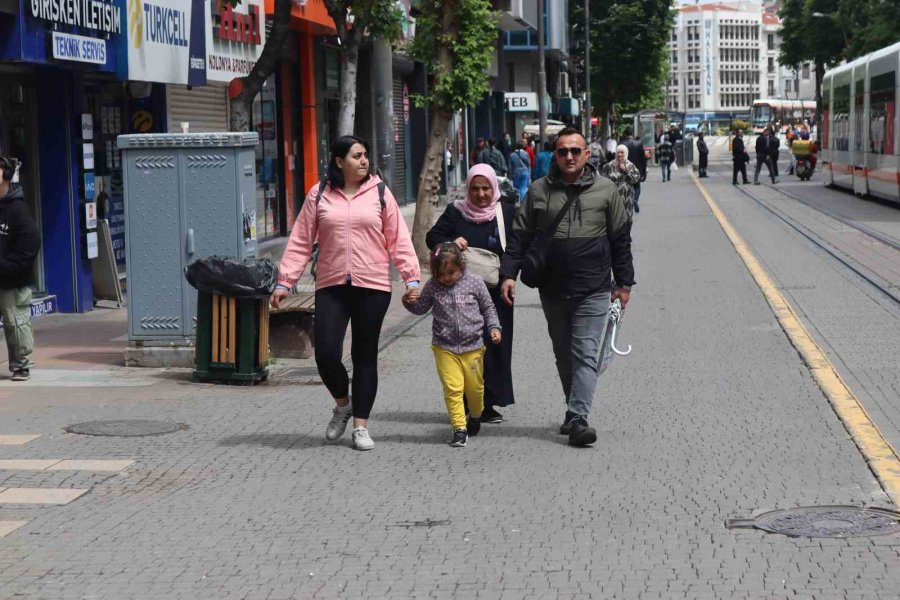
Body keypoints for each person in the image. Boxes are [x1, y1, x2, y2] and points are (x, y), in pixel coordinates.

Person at [271, 135, 420, 451]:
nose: (364, 161)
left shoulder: (380, 192)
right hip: (332, 285)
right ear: (339, 161)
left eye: (365, 155)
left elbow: (399, 239)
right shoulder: (319, 194)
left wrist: (411, 279)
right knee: (325, 353)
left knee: (365, 356)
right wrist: (285, 281)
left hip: (373, 286)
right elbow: (300, 240)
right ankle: (343, 404)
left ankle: (361, 427)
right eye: (357, 156)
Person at [499, 128, 635, 447]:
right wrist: (508, 274)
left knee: (586, 354)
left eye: (576, 151)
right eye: (562, 152)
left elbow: (620, 240)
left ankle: (577, 417)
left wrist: (624, 282)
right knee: (565, 357)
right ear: (555, 155)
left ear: (587, 154)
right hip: (553, 289)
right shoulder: (538, 191)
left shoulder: (606, 190)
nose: (569, 157)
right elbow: (518, 237)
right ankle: (574, 408)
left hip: (594, 288)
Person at [426, 163, 516, 423]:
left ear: (494, 187)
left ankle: (488, 403)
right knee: (462, 347)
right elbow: (433, 237)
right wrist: (450, 243)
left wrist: (510, 275)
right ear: (467, 188)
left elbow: (516, 246)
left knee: (495, 345)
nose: (480, 194)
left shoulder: (505, 211)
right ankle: (464, 403)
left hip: (496, 292)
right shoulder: (456, 212)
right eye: (475, 189)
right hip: (460, 294)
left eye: (486, 188)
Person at [403, 243, 502, 447]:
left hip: (473, 346)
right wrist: (408, 301)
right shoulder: (433, 286)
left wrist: (494, 327)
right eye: (441, 274)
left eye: (451, 272)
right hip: (444, 347)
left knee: (475, 389)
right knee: (453, 387)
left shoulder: (475, 282)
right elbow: (421, 308)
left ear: (461, 266)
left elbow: (488, 308)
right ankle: (459, 428)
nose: (446, 278)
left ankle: (475, 415)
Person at [0, 157, 40, 382]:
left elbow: (29, 246)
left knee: (15, 323)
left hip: (12, 280)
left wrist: (7, 268)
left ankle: (20, 365)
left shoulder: (18, 209)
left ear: (6, 175)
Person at [600, 145, 641, 217]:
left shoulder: (630, 165)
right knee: (614, 220)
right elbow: (603, 181)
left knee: (627, 220)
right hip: (613, 199)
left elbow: (636, 179)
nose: (619, 155)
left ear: (626, 153)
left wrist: (626, 170)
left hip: (627, 199)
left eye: (622, 152)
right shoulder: (608, 166)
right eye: (618, 152)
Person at [620, 127, 647, 213]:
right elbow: (643, 158)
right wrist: (644, 171)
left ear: (625, 134)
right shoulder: (639, 143)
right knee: (637, 186)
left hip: (625, 168)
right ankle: (635, 199)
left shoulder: (622, 144)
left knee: (626, 186)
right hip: (637, 168)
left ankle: (627, 202)